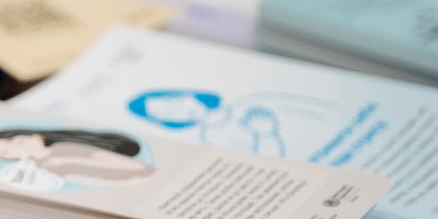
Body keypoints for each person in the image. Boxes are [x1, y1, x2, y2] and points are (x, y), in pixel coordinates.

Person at [126, 87, 330, 156]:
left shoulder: (256, 100)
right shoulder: (211, 141)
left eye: (172, 102)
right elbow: (269, 167)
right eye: (164, 113)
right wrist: (266, 135)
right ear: (165, 122)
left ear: (187, 94)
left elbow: (326, 109)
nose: (176, 110)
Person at [0, 126, 154, 185]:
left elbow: (140, 168)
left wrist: (66, 161)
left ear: (34, 134)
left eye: (10, 139)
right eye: (4, 151)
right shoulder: (41, 169)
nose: (14, 146)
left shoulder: (63, 149)